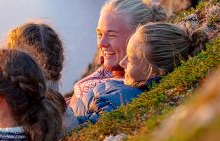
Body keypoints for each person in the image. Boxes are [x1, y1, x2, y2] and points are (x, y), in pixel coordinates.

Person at [74, 22, 209, 123]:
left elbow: (76, 129)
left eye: (131, 59)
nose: (122, 63)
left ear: (156, 72)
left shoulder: (123, 99)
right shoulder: (128, 86)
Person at [68, 0, 166, 116]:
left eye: (112, 35)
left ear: (138, 37)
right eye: (99, 34)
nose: (102, 43)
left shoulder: (122, 91)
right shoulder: (108, 74)